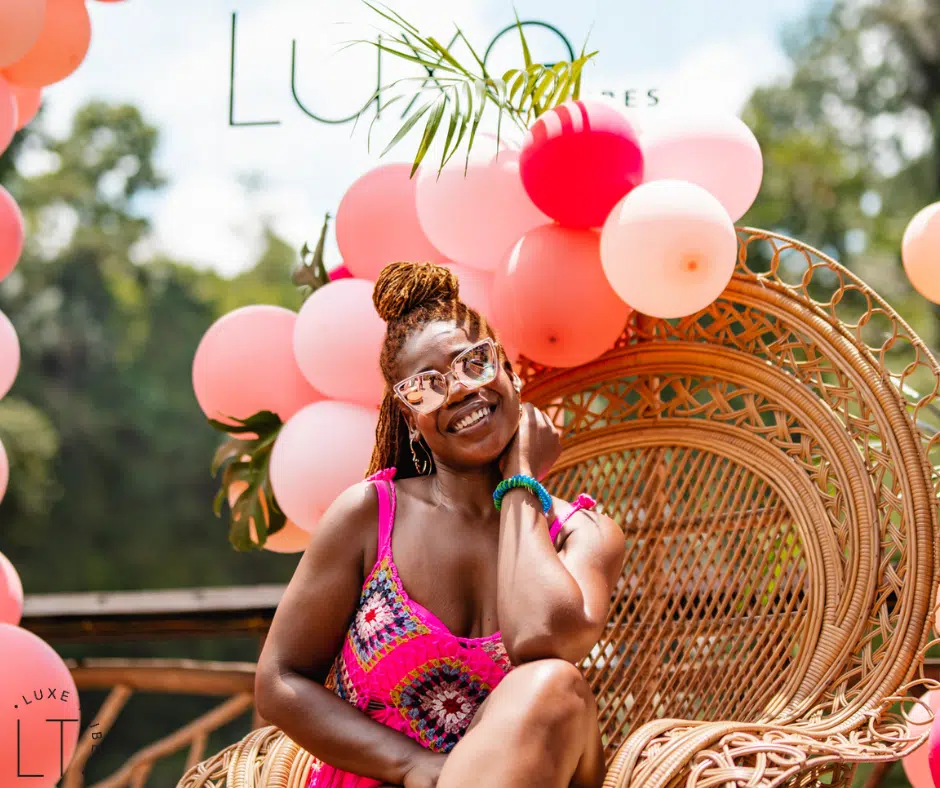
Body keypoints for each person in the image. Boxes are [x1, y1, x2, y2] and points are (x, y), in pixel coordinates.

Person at [255, 261, 625, 788]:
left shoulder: (581, 533)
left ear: (509, 371)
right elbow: (278, 681)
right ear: (409, 417)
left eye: (475, 362)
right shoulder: (369, 516)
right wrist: (411, 765)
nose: (457, 391)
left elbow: (541, 640)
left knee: (551, 685)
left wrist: (521, 482)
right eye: (425, 388)